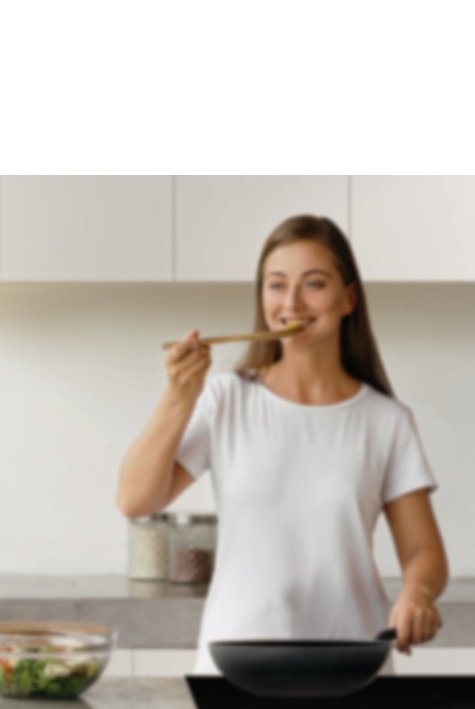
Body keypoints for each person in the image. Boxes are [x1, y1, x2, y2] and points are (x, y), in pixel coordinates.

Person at [115, 215, 448, 675]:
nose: (291, 302)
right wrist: (178, 398)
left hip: (352, 665)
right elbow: (135, 500)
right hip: (235, 664)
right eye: (276, 285)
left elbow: (423, 552)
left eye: (314, 284)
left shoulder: (386, 420)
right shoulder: (226, 398)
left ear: (348, 299)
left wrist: (418, 592)